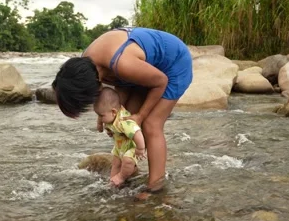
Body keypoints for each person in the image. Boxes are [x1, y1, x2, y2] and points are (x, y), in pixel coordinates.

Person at [52, 27, 193, 199]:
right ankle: (127, 171)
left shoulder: (121, 63)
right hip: (146, 68)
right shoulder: (85, 69)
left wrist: (140, 116)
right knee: (124, 123)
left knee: (150, 125)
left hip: (173, 64)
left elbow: (160, 81)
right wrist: (104, 116)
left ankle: (156, 187)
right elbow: (116, 88)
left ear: (94, 86)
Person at [93, 87, 147, 187]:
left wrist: (140, 148)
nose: (100, 119)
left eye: (101, 116)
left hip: (132, 146)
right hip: (120, 146)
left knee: (127, 161)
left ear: (114, 112)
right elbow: (108, 125)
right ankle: (113, 181)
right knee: (116, 163)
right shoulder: (110, 117)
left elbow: (137, 132)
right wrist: (105, 128)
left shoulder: (124, 122)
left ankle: (121, 177)